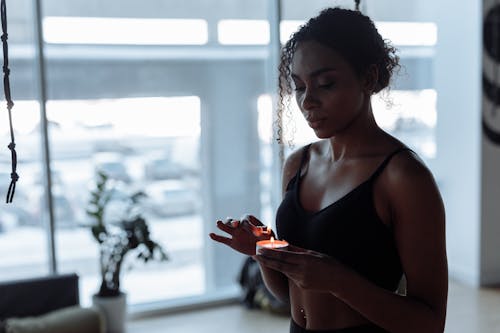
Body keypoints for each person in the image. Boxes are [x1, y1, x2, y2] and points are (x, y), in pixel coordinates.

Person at [209, 6, 447, 333]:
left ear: (369, 77)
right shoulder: (297, 165)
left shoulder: (403, 178)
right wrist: (261, 254)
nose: (308, 101)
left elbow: (429, 323)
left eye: (325, 84)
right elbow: (291, 295)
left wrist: (340, 281)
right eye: (299, 86)